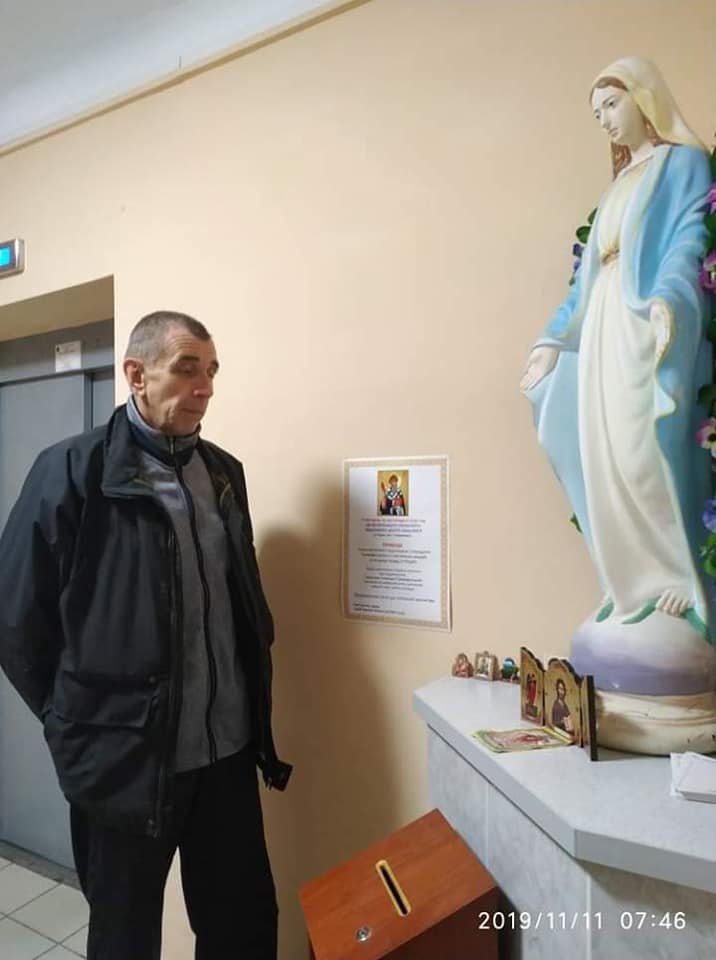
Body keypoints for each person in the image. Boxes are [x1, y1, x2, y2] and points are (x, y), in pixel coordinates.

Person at [0, 311, 291, 960]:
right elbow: (15, 619)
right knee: (124, 937)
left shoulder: (224, 473)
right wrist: (72, 723)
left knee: (243, 926)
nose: (205, 387)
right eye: (187, 369)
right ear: (136, 374)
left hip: (226, 756)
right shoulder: (73, 471)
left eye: (211, 371)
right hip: (125, 764)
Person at [520, 57, 713, 635]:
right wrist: (551, 342)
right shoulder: (617, 186)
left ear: (643, 97)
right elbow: (584, 285)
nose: (605, 119)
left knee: (642, 448)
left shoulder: (683, 164)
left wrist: (669, 298)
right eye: (597, 112)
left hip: (642, 320)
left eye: (612, 103)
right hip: (602, 325)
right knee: (600, 454)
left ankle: (675, 576)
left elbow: (688, 238)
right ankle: (627, 580)